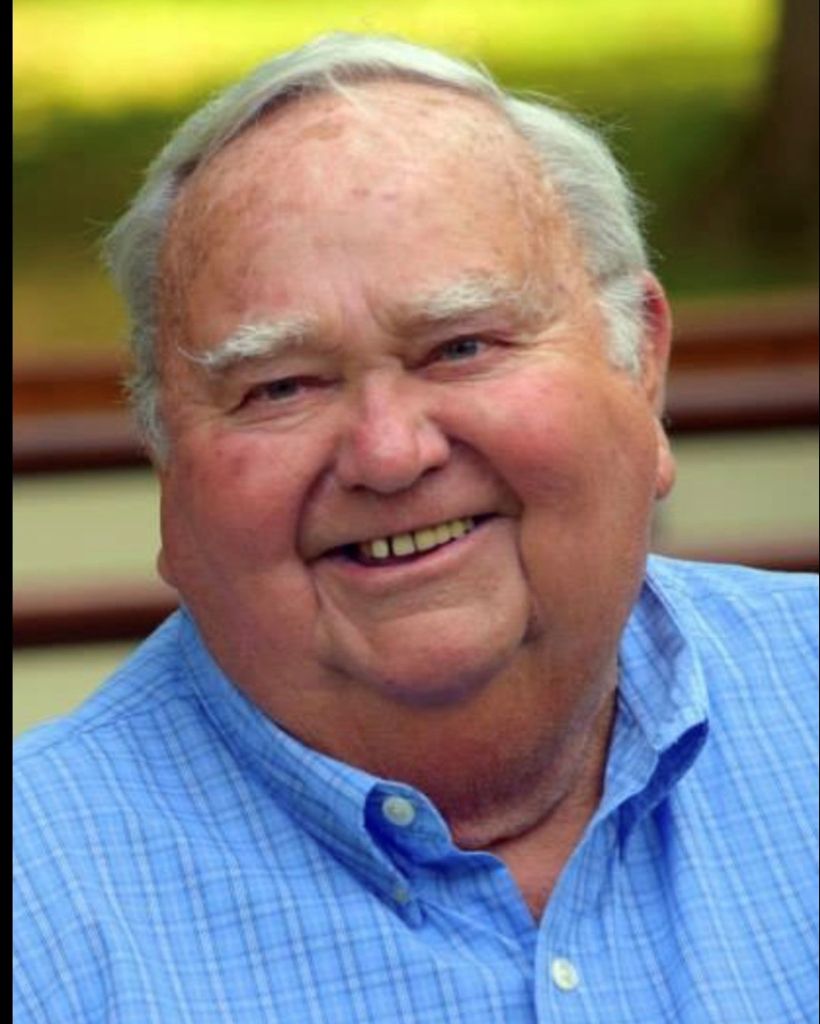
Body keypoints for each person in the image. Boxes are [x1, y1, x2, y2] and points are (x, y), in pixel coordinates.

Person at [13, 32, 818, 1024]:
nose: (389, 454)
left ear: (638, 364)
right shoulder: (37, 915)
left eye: (461, 346)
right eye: (280, 386)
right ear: (166, 464)